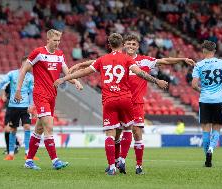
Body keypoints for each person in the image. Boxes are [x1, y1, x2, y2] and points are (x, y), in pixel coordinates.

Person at [68, 34, 195, 174]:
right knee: (117, 134)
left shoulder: (144, 61)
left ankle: (137, 165)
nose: (131, 46)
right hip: (122, 100)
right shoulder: (120, 59)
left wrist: (182, 59)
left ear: (137, 47)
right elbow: (97, 61)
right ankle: (116, 162)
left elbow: (164, 60)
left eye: (134, 44)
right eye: (128, 44)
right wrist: (80, 64)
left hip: (136, 103)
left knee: (137, 132)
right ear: (124, 45)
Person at [54, 33, 168, 175]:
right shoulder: (127, 59)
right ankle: (121, 159)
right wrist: (157, 81)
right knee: (127, 130)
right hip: (126, 99)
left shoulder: (102, 59)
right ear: (122, 45)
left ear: (108, 45)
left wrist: (64, 78)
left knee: (110, 134)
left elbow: (84, 72)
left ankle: (112, 167)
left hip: (109, 100)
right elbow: (140, 73)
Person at [14, 29, 83, 170]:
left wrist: (75, 81)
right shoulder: (38, 53)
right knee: (49, 126)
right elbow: (23, 69)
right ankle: (55, 161)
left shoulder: (60, 55)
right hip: (40, 94)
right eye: (55, 40)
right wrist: (18, 89)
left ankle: (28, 162)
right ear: (48, 40)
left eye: (59, 41)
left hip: (52, 95)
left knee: (39, 128)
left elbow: (67, 73)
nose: (57, 43)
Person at [0, 56, 36, 161]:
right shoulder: (12, 74)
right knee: (13, 129)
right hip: (13, 106)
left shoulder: (30, 77)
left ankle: (28, 153)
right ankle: (11, 154)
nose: (28, 66)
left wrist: (31, 104)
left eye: (30, 64)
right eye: (26, 63)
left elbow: (32, 92)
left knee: (27, 127)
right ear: (22, 63)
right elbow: (2, 82)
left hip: (25, 107)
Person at [192, 40, 222, 167]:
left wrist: (201, 90)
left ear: (203, 51)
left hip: (204, 100)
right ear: (214, 51)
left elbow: (194, 85)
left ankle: (207, 159)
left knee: (205, 130)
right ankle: (211, 149)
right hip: (219, 99)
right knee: (217, 128)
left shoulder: (199, 65)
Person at [1, 84, 20, 155]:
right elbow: (4, 91)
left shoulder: (23, 83)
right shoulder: (10, 83)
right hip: (8, 108)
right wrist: (3, 95)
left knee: (11, 129)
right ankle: (12, 147)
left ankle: (14, 147)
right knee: (7, 129)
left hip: (16, 108)